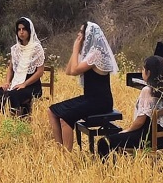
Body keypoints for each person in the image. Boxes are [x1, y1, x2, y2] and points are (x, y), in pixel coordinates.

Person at [48, 22, 118, 151]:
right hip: (89, 98)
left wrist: (76, 49)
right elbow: (68, 71)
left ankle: (66, 155)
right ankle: (59, 150)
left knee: (65, 117)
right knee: (52, 111)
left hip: (100, 101)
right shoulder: (89, 53)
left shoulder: (97, 53)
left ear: (89, 35)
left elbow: (74, 71)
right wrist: (76, 51)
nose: (78, 35)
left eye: (81, 32)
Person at [97, 55, 163, 159]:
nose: (142, 71)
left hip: (147, 139)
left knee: (104, 142)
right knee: (117, 136)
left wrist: (128, 130)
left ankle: (108, 171)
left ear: (148, 72)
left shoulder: (147, 90)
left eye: (143, 69)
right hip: (162, 139)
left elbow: (140, 121)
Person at [0, 17, 45, 116]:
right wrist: (7, 82)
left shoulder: (37, 48)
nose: (21, 32)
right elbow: (11, 68)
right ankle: (5, 120)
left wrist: (25, 84)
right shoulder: (15, 49)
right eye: (19, 30)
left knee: (12, 95)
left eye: (24, 29)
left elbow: (40, 72)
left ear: (29, 30)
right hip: (16, 83)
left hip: (31, 86)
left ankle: (17, 120)